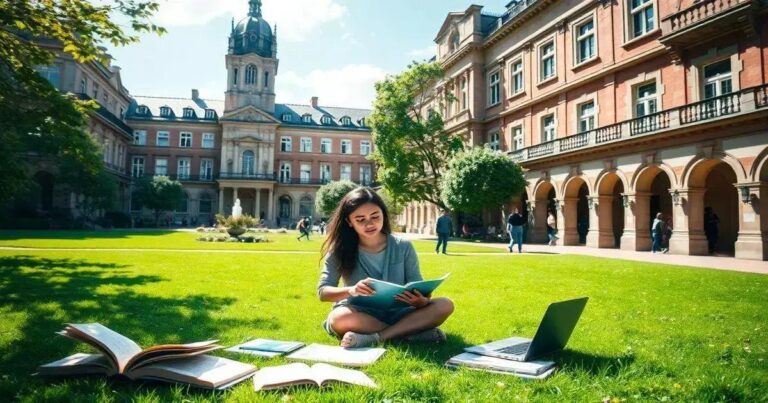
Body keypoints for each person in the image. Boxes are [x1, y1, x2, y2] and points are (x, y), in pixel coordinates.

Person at [318, 187, 454, 348]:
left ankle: (377, 337)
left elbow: (419, 286)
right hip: (360, 313)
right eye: (360, 219)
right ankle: (410, 334)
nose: (370, 224)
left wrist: (421, 301)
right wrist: (351, 290)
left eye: (375, 216)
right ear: (349, 222)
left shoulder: (403, 246)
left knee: (445, 304)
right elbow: (323, 292)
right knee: (338, 318)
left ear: (383, 214)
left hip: (401, 312)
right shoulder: (338, 250)